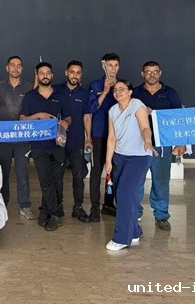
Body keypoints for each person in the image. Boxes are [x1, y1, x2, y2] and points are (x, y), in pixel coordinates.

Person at [132, 61, 186, 231]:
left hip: (162, 144)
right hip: (138, 144)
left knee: (161, 182)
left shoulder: (170, 93)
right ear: (142, 74)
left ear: (160, 73)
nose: (152, 74)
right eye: (148, 72)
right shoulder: (135, 93)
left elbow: (179, 118)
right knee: (136, 182)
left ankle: (161, 216)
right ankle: (134, 214)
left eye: (155, 71)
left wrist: (181, 142)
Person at [104, 80, 156, 251]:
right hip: (120, 157)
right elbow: (111, 138)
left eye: (122, 89)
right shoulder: (112, 110)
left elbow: (145, 127)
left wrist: (147, 141)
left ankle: (122, 238)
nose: (118, 92)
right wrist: (108, 161)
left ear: (130, 92)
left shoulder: (137, 105)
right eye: (115, 90)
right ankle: (134, 231)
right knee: (123, 197)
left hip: (139, 157)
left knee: (125, 193)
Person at [20, 62, 72, 231]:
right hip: (38, 145)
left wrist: (66, 122)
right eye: (41, 73)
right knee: (45, 179)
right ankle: (56, 214)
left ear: (52, 75)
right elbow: (22, 119)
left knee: (56, 181)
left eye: (48, 73)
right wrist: (38, 115)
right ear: (37, 75)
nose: (45, 75)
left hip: (58, 144)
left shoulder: (61, 95)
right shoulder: (30, 96)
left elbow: (69, 117)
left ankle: (45, 210)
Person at [0, 56, 36, 219]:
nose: (15, 68)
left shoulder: (30, 87)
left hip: (22, 138)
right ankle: (2, 204)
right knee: (2, 173)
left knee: (22, 173)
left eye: (19, 65)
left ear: (22, 69)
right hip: (3, 137)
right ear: (7, 68)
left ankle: (25, 206)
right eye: (12, 65)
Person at [58, 60, 92, 223]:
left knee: (78, 176)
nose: (74, 75)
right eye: (72, 72)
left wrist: (89, 138)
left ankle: (78, 207)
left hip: (77, 140)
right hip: (57, 141)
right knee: (57, 175)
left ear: (81, 75)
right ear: (66, 72)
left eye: (78, 73)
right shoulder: (56, 90)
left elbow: (87, 116)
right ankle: (57, 206)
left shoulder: (85, 94)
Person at [88, 52, 121, 222]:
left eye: (115, 65)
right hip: (99, 135)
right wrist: (106, 91)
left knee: (113, 172)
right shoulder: (95, 85)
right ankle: (94, 206)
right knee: (96, 172)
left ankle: (108, 204)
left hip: (118, 137)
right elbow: (91, 108)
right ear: (104, 66)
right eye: (110, 65)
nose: (113, 69)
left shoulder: (122, 86)